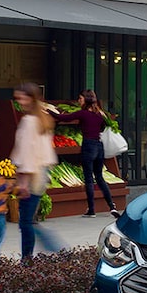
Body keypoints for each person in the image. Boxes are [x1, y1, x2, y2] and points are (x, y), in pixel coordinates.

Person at [8, 82, 67, 260]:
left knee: (26, 222)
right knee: (29, 220)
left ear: (30, 98)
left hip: (30, 177)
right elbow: (46, 152)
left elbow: (26, 153)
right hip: (41, 175)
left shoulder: (28, 122)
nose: (19, 101)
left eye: (21, 97)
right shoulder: (43, 119)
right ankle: (41, 252)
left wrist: (23, 182)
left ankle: (29, 259)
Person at [51, 89, 119, 218]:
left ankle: (91, 210)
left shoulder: (83, 114)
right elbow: (104, 127)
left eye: (80, 98)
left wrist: (49, 112)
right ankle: (111, 206)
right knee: (99, 177)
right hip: (99, 147)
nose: (78, 101)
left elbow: (63, 118)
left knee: (88, 179)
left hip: (88, 146)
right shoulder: (100, 114)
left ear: (86, 100)